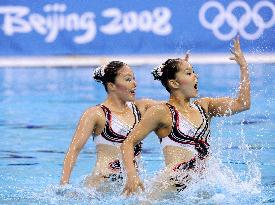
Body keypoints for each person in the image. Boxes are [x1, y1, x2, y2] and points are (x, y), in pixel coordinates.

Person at [121, 36, 250, 199]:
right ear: (174, 83)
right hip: (170, 185)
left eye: (194, 72)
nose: (196, 77)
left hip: (199, 185)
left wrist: (244, 67)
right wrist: (132, 175)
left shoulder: (205, 106)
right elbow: (128, 142)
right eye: (189, 73)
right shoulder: (162, 112)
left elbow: (243, 104)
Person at [60, 61, 158, 190]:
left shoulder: (141, 108)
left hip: (131, 183)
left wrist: (177, 78)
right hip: (100, 187)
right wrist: (64, 184)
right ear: (111, 85)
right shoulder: (96, 114)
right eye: (128, 79)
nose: (135, 84)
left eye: (134, 79)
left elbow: (174, 107)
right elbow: (74, 149)